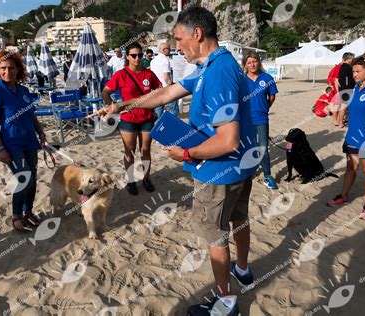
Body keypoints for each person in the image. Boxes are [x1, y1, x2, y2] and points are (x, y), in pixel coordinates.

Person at [91, 7, 258, 315]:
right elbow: (167, 93)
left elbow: (226, 139)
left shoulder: (218, 72)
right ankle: (244, 270)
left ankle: (226, 303)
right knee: (238, 219)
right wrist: (121, 106)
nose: (177, 47)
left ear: (198, 34)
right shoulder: (215, 63)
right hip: (241, 166)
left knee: (215, 234)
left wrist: (185, 154)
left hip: (218, 170)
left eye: (180, 39)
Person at [0, 50, 47, 232]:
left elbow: (31, 116)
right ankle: (16, 216)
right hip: (11, 144)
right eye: (2, 68)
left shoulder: (24, 90)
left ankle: (28, 212)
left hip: (29, 141)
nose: (7, 71)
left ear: (18, 69)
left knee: (33, 179)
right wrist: (0, 148)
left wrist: (41, 132)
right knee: (24, 178)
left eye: (11, 67)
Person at [327, 52, 365, 220]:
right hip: (352, 137)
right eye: (353, 71)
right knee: (350, 168)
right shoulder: (356, 88)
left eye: (357, 71)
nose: (353, 74)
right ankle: (344, 195)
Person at [100, 42, 161, 195]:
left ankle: (146, 178)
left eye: (140, 55)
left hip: (147, 117)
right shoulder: (121, 74)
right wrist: (112, 107)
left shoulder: (149, 74)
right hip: (128, 119)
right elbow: (105, 92)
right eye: (133, 55)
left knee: (145, 150)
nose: (137, 58)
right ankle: (131, 180)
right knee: (130, 151)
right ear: (127, 56)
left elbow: (160, 91)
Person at [242, 51, 279, 189]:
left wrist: (264, 108)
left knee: (263, 147)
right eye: (249, 62)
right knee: (248, 147)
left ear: (259, 62)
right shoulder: (242, 80)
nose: (252, 64)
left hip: (261, 119)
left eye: (255, 61)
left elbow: (272, 97)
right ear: (245, 64)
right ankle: (249, 171)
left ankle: (268, 176)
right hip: (245, 120)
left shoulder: (267, 77)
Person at [151, 42, 179, 117]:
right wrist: (172, 88)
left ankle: (158, 126)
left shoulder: (153, 61)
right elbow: (166, 78)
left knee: (158, 110)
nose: (170, 51)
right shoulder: (165, 61)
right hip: (166, 89)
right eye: (169, 49)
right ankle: (172, 125)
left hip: (156, 88)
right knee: (174, 109)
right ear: (164, 50)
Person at [335, 52, 355, 128]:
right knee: (343, 106)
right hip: (346, 89)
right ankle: (340, 123)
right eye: (352, 58)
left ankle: (340, 121)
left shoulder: (344, 66)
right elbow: (343, 79)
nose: (353, 59)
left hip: (344, 89)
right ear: (347, 59)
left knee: (343, 106)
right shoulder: (346, 67)